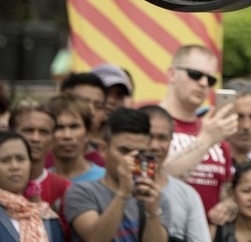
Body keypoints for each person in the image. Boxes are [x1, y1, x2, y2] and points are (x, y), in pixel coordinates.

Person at [64, 108, 170, 241]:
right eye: (124, 151)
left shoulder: (155, 198)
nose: (132, 158)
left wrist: (152, 211)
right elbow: (95, 239)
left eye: (140, 152)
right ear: (103, 149)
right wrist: (123, 192)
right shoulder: (81, 192)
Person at [159, 45, 238, 215]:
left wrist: (228, 206)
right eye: (195, 75)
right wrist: (206, 140)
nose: (203, 83)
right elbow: (156, 179)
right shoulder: (149, 121)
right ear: (172, 73)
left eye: (210, 80)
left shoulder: (214, 129)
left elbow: (225, 191)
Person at [138, 105, 210, 242]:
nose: (154, 146)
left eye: (162, 138)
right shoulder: (116, 186)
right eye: (148, 136)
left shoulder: (188, 195)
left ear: (171, 139)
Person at [8, 103, 70, 233]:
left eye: (44, 132)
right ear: (11, 133)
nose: (35, 138)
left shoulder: (63, 188)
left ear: (53, 139)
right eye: (28, 130)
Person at [0, 130, 63, 241]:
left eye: (20, 159)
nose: (15, 166)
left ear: (30, 163)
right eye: (5, 160)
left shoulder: (46, 216)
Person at [46, 95, 105, 182]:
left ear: (87, 133)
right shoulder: (39, 183)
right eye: (59, 127)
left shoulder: (104, 179)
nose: (67, 135)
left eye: (74, 127)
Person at [58, 72, 108, 162]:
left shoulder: (105, 166)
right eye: (83, 103)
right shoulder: (37, 160)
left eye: (98, 106)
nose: (91, 111)